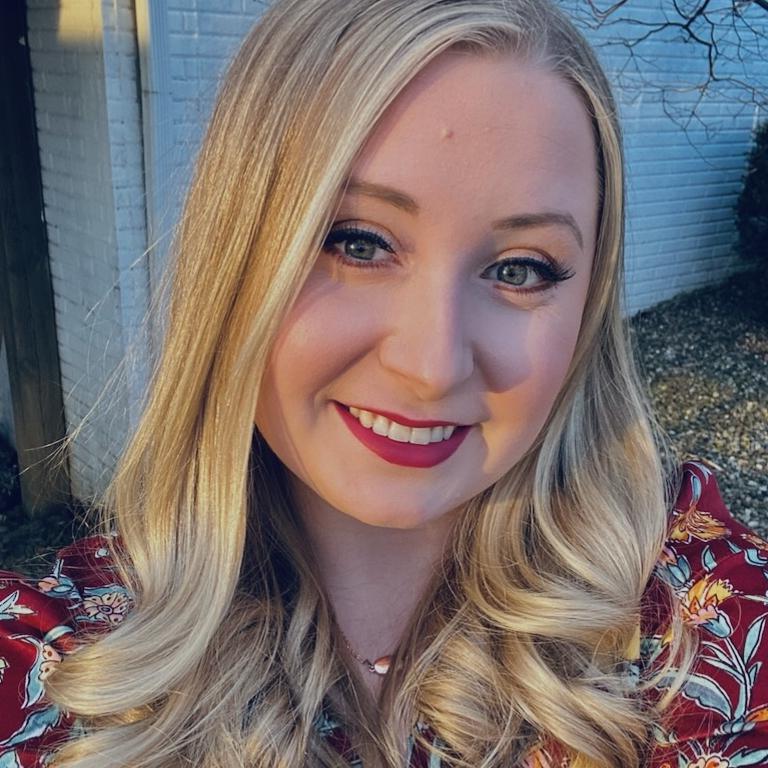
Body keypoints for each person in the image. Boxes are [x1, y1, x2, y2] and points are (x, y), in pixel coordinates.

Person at [1, 0, 767, 765]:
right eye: (358, 243)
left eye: (520, 269)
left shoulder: (701, 617)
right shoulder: (59, 661)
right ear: (237, 260)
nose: (433, 367)